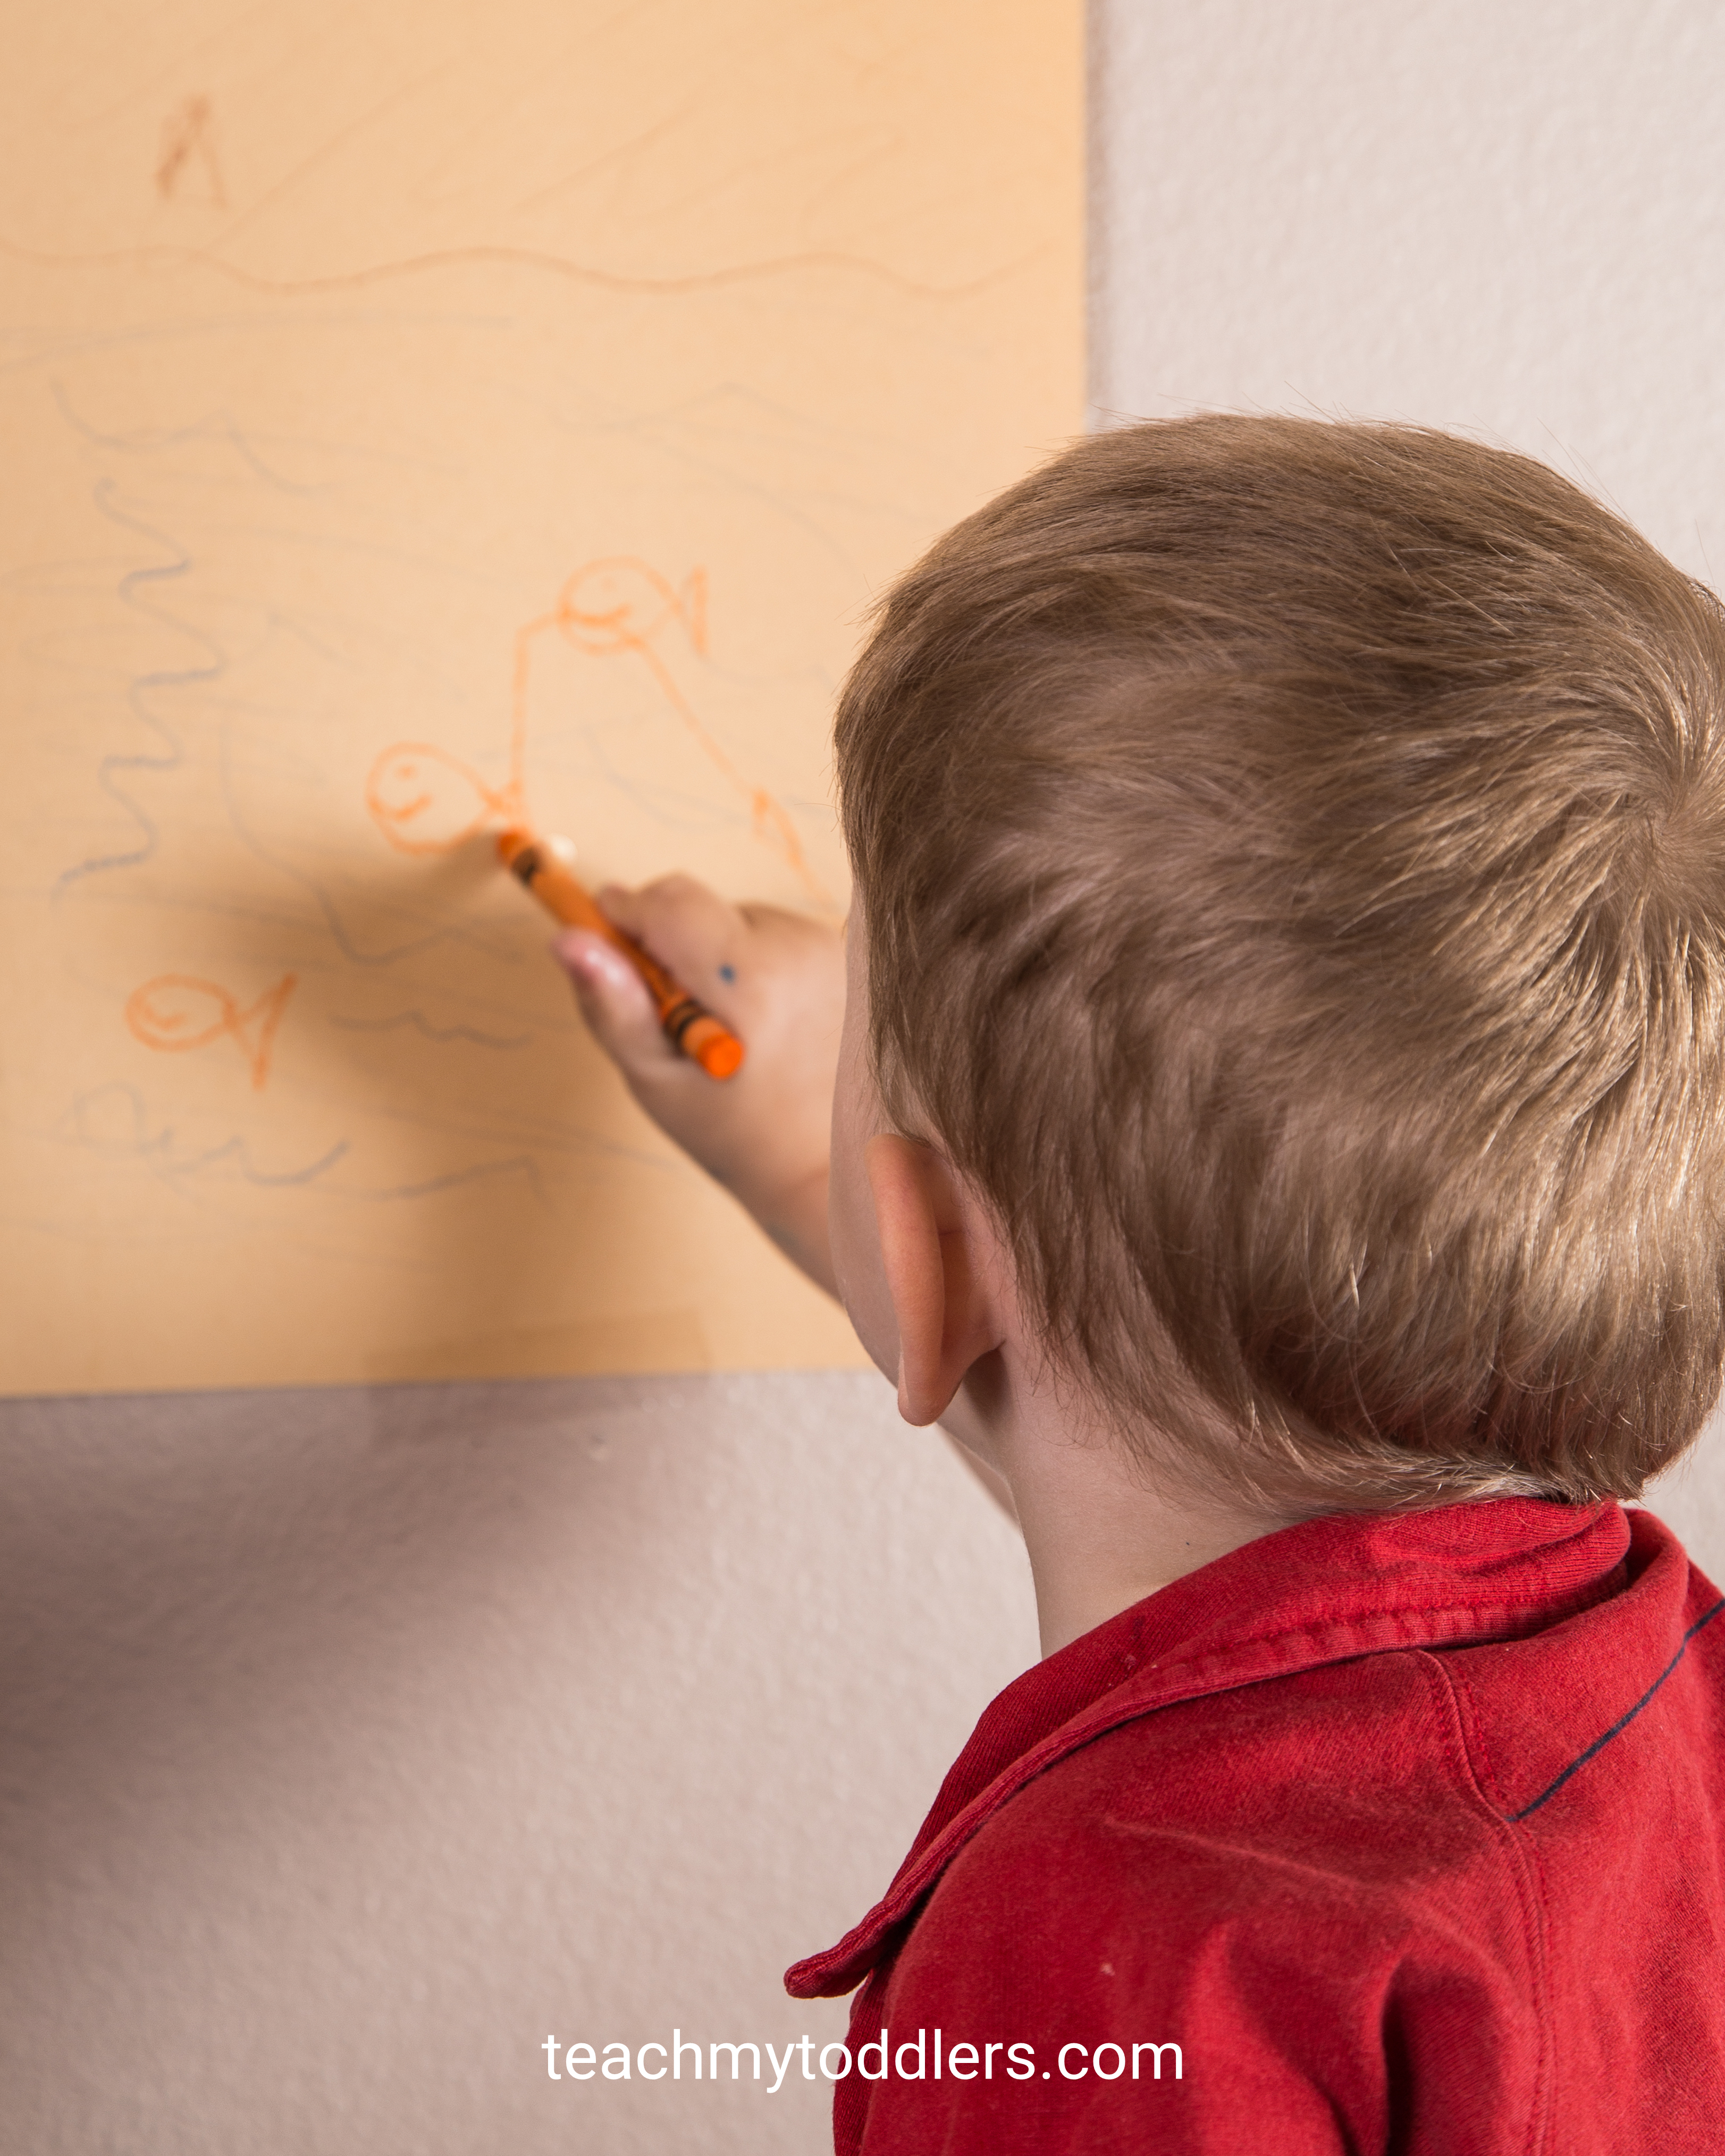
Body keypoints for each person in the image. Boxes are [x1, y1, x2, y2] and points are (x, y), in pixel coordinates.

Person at [552, 417, 1725, 2152]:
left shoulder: (1106, 1962)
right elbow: (1131, 1419)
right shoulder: (1662, 1713)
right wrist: (804, 1156)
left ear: (937, 1261)